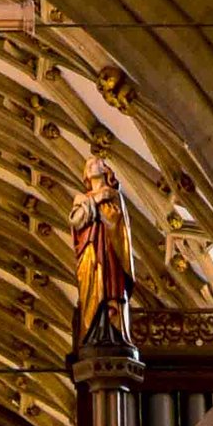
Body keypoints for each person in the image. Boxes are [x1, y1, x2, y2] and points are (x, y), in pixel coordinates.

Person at [71, 145, 134, 344]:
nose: (91, 166)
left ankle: (114, 328)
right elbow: (76, 220)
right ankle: (91, 330)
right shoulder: (81, 198)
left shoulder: (115, 196)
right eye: (88, 165)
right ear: (86, 177)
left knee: (110, 288)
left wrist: (104, 202)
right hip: (89, 253)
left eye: (96, 163)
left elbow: (118, 224)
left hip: (109, 253)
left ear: (105, 170)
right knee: (91, 291)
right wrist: (98, 198)